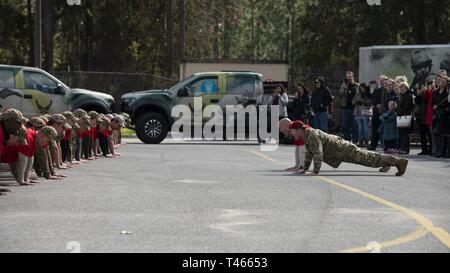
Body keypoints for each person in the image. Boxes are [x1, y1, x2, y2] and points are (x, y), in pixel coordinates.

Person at [289, 123, 408, 176]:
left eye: (292, 131)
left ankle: (398, 162)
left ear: (298, 129)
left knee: (368, 159)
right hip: (340, 150)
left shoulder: (312, 135)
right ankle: (387, 162)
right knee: (369, 159)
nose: (291, 134)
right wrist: (304, 169)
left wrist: (315, 171)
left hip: (344, 150)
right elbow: (310, 153)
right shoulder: (307, 135)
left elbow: (318, 153)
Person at [432, 75, 449, 158]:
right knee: (441, 134)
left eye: (444, 82)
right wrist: (435, 106)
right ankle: (441, 151)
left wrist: (443, 110)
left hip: (445, 115)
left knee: (446, 134)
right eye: (441, 81)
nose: (441, 83)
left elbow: (448, 105)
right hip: (438, 115)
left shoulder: (447, 92)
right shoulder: (437, 91)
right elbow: (434, 101)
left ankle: (447, 152)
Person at [338, 71, 359, 142]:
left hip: (354, 108)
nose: (348, 78)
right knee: (345, 125)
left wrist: (353, 102)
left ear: (353, 77)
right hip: (345, 108)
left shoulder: (357, 86)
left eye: (350, 77)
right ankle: (347, 141)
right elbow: (340, 94)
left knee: (354, 125)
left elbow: (358, 95)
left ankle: (355, 141)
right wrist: (343, 87)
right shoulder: (344, 85)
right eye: (347, 77)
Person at [369, 75, 388, 151]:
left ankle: (385, 146)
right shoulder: (376, 90)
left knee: (385, 130)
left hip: (385, 112)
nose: (381, 82)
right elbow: (373, 99)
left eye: (383, 80)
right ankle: (373, 145)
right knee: (375, 130)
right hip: (376, 112)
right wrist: (377, 104)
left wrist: (382, 104)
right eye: (380, 80)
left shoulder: (387, 90)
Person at [396, 82, 415, 154]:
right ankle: (401, 147)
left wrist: (399, 111)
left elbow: (406, 107)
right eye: (400, 87)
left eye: (402, 87)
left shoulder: (409, 95)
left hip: (406, 116)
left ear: (406, 88)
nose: (401, 88)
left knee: (405, 134)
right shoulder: (401, 96)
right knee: (401, 133)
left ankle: (405, 149)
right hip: (401, 116)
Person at [415, 82, 433, 155]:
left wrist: (426, 91)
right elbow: (417, 101)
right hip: (420, 117)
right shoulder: (419, 96)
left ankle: (431, 149)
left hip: (426, 117)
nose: (423, 89)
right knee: (422, 135)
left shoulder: (428, 94)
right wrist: (418, 93)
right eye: (421, 87)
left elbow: (428, 100)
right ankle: (424, 150)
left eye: (424, 87)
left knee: (429, 135)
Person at [353, 82, 372, 147]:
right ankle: (360, 141)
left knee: (366, 128)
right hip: (358, 112)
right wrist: (356, 102)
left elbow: (370, 103)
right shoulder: (358, 94)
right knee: (360, 128)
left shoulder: (368, 94)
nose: (362, 89)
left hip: (365, 112)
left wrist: (363, 102)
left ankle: (367, 140)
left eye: (363, 88)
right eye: (361, 88)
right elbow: (353, 101)